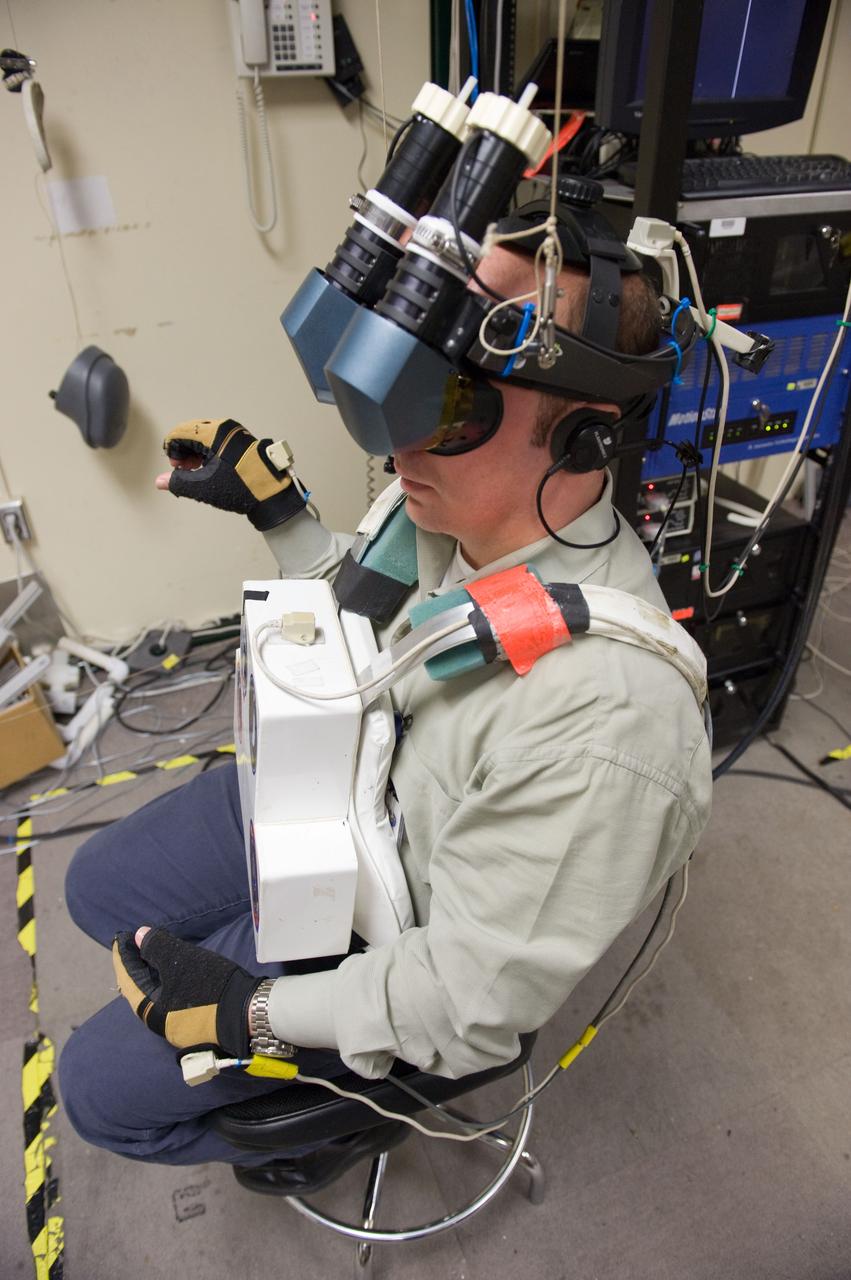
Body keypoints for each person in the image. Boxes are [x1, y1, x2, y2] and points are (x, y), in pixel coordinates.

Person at [58, 234, 712, 1179]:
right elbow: (371, 640)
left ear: (584, 433)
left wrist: (249, 1013)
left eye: (450, 404)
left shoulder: (608, 720)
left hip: (392, 934)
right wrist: (278, 511)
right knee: (95, 891)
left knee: (97, 1094)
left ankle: (335, 1125)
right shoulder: (442, 510)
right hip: (348, 787)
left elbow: (463, 1000)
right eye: (405, 379)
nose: (399, 436)